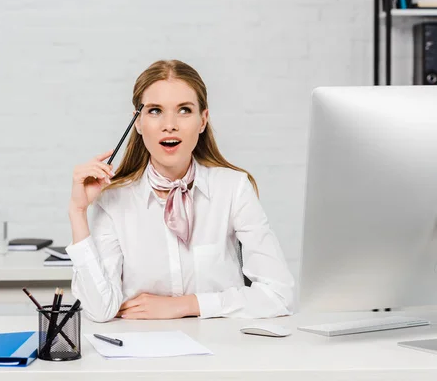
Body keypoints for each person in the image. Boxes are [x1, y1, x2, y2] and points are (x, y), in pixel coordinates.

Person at [66, 59, 294, 322]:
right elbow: (100, 310)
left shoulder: (233, 188)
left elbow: (279, 294)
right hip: (142, 352)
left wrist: (187, 305)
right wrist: (78, 211)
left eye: (184, 110)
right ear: (137, 123)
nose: (169, 124)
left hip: (223, 352)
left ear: (202, 120)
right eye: (154, 111)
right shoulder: (113, 199)